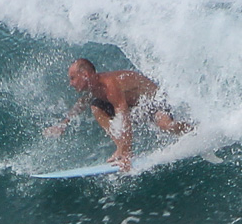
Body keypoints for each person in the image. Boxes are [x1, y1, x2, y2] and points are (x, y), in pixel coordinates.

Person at [43, 57, 191, 171]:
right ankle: (120, 148)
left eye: (73, 78)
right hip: (136, 106)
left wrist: (127, 154)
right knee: (95, 106)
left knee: (166, 126)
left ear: (85, 75)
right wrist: (63, 124)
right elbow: (82, 103)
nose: (71, 83)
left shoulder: (110, 85)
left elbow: (123, 115)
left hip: (154, 102)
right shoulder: (93, 86)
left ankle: (193, 131)